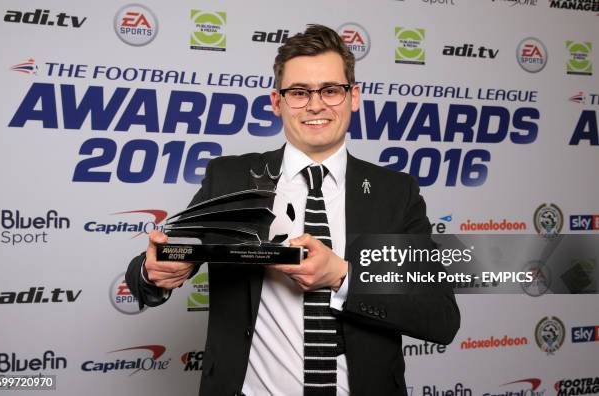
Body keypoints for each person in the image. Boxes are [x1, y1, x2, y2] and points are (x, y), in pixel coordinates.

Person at [126, 24, 460, 396]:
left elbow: (440, 316)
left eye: (331, 90)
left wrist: (342, 276)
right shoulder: (231, 178)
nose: (316, 105)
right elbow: (162, 261)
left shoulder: (394, 193)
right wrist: (154, 270)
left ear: (354, 97)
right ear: (277, 102)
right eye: (299, 92)